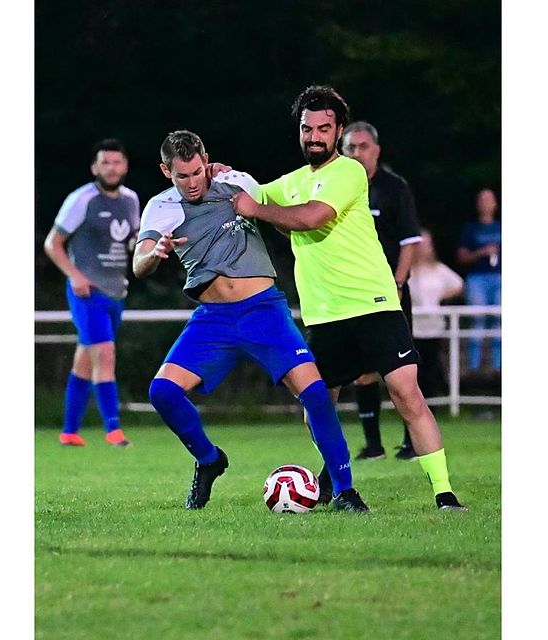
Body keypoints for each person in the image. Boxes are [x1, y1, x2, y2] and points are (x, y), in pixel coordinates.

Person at [228, 85, 467, 510]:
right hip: (324, 314)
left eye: (323, 128)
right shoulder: (294, 181)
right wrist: (221, 176)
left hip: (372, 303)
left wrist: (256, 208)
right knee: (316, 405)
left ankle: (444, 493)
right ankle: (338, 485)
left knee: (406, 393)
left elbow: (309, 217)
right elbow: (253, 192)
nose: (314, 136)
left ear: (338, 131)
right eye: (307, 128)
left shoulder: (349, 172)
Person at [133, 130, 368, 512]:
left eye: (196, 172)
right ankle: (210, 460)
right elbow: (138, 264)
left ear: (206, 159)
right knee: (162, 392)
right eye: (182, 176)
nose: (192, 183)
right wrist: (155, 253)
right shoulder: (161, 208)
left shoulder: (236, 182)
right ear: (165, 171)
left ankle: (344, 491)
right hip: (213, 318)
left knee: (316, 396)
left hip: (263, 311)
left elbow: (280, 212)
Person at [43, 138, 139, 448]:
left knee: (85, 360)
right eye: (105, 162)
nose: (112, 168)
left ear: (125, 166)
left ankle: (69, 432)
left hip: (115, 292)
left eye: (117, 162)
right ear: (95, 167)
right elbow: (52, 242)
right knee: (106, 353)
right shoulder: (81, 199)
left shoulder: (131, 200)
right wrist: (75, 276)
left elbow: (132, 241)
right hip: (87, 293)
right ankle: (114, 431)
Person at [341, 120, 423, 461]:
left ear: (376, 150)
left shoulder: (393, 188)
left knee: (402, 369)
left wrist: (399, 283)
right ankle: (372, 445)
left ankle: (410, 442)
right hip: (351, 291)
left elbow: (409, 241)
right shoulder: (337, 186)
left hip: (389, 291)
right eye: (350, 148)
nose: (356, 153)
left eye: (362, 147)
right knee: (360, 369)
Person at [408, 229, 465, 403]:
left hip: (434, 327)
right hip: (414, 328)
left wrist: (440, 297)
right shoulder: (408, 270)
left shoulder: (439, 269)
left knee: (432, 368)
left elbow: (459, 284)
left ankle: (432, 405)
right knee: (415, 371)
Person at [456, 188, 501, 372]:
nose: (485, 203)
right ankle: (474, 369)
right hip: (477, 278)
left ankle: (499, 368)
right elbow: (461, 256)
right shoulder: (470, 229)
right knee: (477, 319)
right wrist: (481, 253)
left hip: (500, 277)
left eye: (488, 199)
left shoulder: (502, 227)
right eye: (482, 199)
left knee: (500, 319)